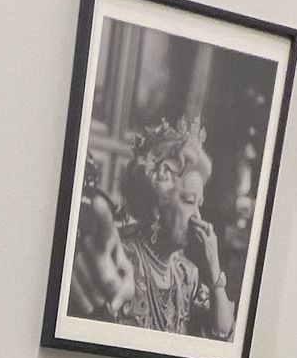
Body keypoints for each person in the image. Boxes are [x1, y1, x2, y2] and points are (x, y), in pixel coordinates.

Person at [66, 117, 236, 339]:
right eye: (188, 201)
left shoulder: (188, 274)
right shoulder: (122, 260)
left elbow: (222, 336)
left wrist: (214, 268)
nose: (197, 217)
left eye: (199, 204)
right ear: (158, 201)